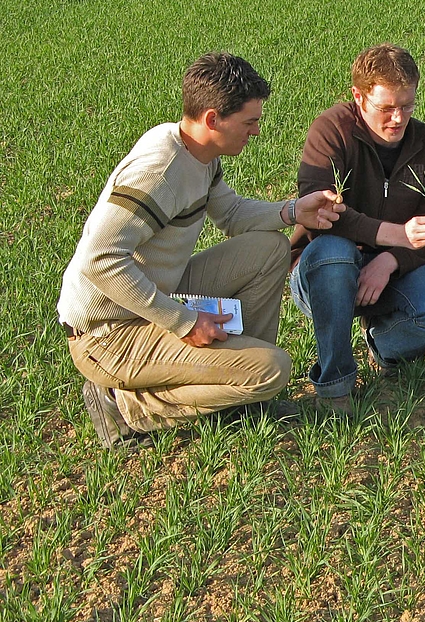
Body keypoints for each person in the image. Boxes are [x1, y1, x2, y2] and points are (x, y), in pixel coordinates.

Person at [58, 53, 344, 448]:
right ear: (212, 119)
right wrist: (185, 321)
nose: (256, 131)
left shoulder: (197, 153)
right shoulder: (159, 172)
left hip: (157, 291)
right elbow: (99, 258)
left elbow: (229, 213)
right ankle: (123, 405)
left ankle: (243, 398)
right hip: (108, 333)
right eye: (249, 122)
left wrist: (294, 211)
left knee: (269, 248)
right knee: (274, 369)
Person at [290, 44, 425, 407]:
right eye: (386, 108)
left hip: (395, 271)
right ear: (358, 96)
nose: (398, 118)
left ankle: (383, 344)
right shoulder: (332, 131)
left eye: (407, 106)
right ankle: (335, 385)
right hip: (323, 272)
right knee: (335, 254)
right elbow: (322, 213)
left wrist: (390, 260)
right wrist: (396, 235)